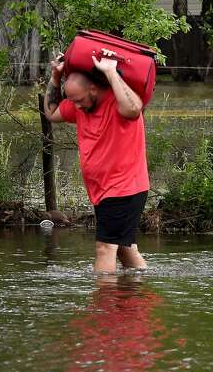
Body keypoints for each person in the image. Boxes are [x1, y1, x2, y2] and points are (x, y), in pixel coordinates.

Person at [44, 48, 149, 274]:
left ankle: (105, 306)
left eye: (79, 99)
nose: (77, 106)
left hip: (123, 188)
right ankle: (134, 298)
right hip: (104, 191)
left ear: (93, 88)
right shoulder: (80, 105)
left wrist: (112, 73)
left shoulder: (118, 100)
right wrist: (55, 77)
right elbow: (51, 113)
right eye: (74, 101)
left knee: (104, 249)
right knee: (124, 248)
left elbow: (134, 109)